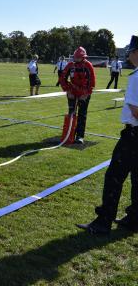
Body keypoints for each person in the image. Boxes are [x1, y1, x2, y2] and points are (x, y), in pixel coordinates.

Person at [77, 35, 138, 234]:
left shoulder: (136, 77)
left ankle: (104, 221)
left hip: (133, 136)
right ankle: (134, 218)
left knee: (114, 177)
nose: (128, 54)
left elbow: (136, 110)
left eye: (130, 51)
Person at [59, 46, 96, 144]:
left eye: (78, 57)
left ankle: (79, 136)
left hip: (84, 94)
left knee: (82, 114)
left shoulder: (88, 65)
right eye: (75, 57)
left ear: (83, 57)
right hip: (72, 93)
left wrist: (87, 94)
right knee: (71, 113)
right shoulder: (70, 65)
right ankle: (70, 134)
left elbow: (92, 82)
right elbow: (62, 78)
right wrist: (68, 91)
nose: (76, 59)